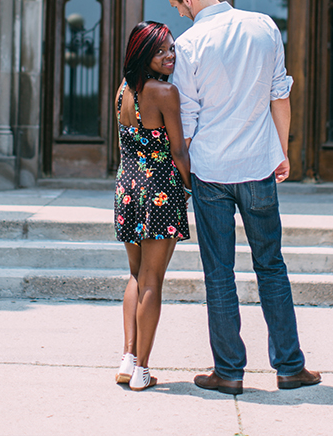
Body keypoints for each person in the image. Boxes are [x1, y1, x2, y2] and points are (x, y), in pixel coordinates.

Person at [160, 0, 320, 395]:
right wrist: (280, 151)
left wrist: (185, 171)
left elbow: (187, 117)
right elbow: (279, 94)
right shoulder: (264, 26)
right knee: (271, 266)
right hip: (256, 167)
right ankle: (290, 367)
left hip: (211, 171)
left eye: (177, 5)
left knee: (219, 273)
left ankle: (228, 372)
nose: (178, 13)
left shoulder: (189, 43)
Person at [114, 21, 191, 391]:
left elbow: (125, 145)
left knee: (135, 274)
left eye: (171, 49)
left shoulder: (122, 92)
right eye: (160, 51)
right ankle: (142, 368)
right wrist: (191, 187)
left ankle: (128, 357)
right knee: (152, 280)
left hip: (127, 189)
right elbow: (178, 150)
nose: (169, 56)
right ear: (143, 54)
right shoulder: (165, 92)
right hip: (160, 191)